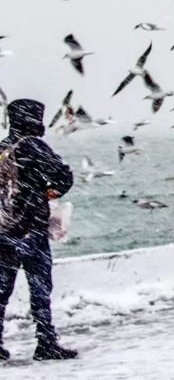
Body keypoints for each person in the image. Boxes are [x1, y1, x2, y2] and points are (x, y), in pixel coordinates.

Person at [0, 99, 77, 361]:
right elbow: (64, 176)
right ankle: (46, 343)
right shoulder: (33, 146)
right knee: (40, 289)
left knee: (1, 291)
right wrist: (43, 194)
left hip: (2, 231)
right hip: (30, 230)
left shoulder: (2, 147)